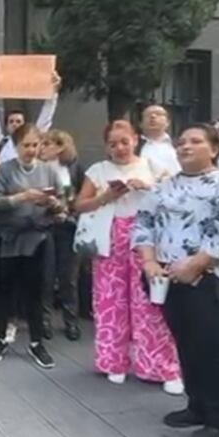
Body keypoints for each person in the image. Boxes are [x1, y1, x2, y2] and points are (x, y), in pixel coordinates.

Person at [134, 124, 219, 437]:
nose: (185, 146)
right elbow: (144, 221)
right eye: (181, 142)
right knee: (186, 343)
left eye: (195, 141)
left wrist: (198, 263)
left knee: (213, 350)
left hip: (214, 280)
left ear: (215, 149)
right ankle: (197, 405)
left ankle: (217, 420)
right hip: (169, 279)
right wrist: (148, 261)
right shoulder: (166, 186)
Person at [74, 121, 181, 393]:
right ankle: (113, 361)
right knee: (111, 301)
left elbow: (175, 199)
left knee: (149, 302)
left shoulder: (154, 166)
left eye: (124, 141)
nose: (119, 148)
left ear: (135, 139)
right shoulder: (98, 170)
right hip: (109, 236)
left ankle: (159, 366)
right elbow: (79, 204)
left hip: (147, 237)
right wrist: (106, 196)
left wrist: (147, 187)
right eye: (113, 143)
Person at [0, 124, 61, 368]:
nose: (31, 150)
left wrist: (55, 204)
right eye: (26, 145)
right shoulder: (4, 170)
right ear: (16, 146)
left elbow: (63, 202)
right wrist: (22, 197)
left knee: (35, 293)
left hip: (37, 238)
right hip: (9, 238)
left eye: (35, 144)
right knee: (4, 291)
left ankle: (37, 342)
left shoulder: (49, 171)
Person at [38, 129, 84, 341]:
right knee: (45, 276)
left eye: (48, 144)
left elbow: (82, 196)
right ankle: (43, 320)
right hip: (44, 226)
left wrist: (69, 211)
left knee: (69, 277)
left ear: (60, 147)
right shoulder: (37, 168)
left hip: (69, 226)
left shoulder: (73, 168)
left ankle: (70, 321)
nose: (43, 147)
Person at [138, 105, 181, 176]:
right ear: (141, 124)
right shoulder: (134, 147)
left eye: (158, 114)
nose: (153, 116)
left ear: (167, 122)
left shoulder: (178, 145)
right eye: (147, 115)